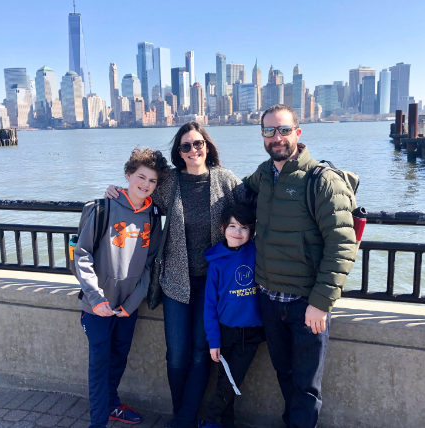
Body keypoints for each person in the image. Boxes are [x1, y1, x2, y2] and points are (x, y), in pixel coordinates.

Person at [106, 122, 247, 428]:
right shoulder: (170, 182)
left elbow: (252, 207)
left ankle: (182, 419)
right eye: (186, 146)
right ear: (178, 152)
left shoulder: (225, 180)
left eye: (198, 144)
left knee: (201, 354)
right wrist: (116, 191)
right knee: (177, 355)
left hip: (212, 285)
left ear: (207, 146)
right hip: (176, 281)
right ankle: (181, 412)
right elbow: (140, 191)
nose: (193, 150)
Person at [242, 105, 358, 428]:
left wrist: (321, 303)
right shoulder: (264, 174)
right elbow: (235, 190)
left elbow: (342, 244)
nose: (276, 137)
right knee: (285, 375)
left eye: (283, 130)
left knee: (307, 388)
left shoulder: (321, 181)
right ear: (262, 135)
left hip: (307, 305)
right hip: (268, 299)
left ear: (298, 133)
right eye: (269, 131)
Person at [74, 147, 169, 428]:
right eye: (141, 177)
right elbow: (81, 254)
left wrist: (132, 303)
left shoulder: (153, 215)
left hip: (128, 306)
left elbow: (150, 263)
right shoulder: (103, 208)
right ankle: (98, 422)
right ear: (128, 175)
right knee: (99, 364)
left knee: (119, 359)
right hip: (97, 306)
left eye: (152, 181)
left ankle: (113, 404)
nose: (146, 185)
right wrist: (96, 299)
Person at [198, 204, 263, 428]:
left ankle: (207, 420)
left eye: (244, 227)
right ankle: (226, 422)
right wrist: (213, 341)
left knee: (232, 380)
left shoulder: (257, 252)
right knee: (224, 381)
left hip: (251, 332)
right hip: (225, 331)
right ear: (223, 227)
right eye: (232, 226)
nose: (237, 232)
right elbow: (210, 305)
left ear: (252, 231)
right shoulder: (216, 262)